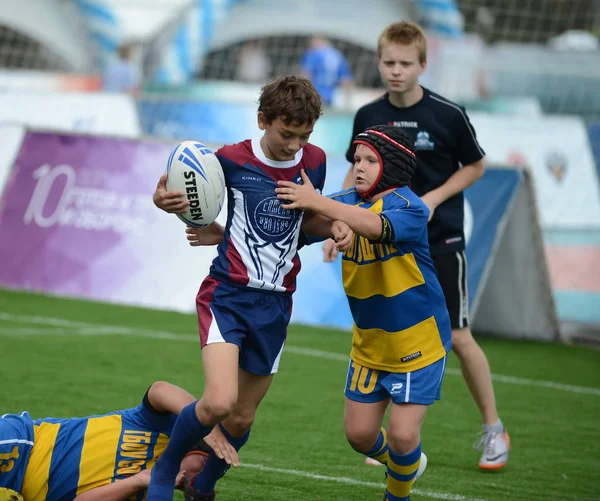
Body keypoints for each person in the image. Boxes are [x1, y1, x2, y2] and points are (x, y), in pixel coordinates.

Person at [148, 76, 352, 501]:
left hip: (276, 304)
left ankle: (203, 487)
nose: (295, 145)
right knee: (219, 402)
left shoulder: (313, 161)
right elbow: (186, 190)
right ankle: (163, 474)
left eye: (304, 135)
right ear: (262, 120)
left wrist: (333, 224)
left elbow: (298, 228)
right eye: (286, 134)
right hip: (228, 295)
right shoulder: (231, 159)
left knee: (240, 419)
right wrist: (163, 200)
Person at [334, 21, 509, 470]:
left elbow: (475, 166)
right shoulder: (369, 114)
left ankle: (493, 429)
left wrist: (431, 199)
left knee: (457, 334)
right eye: (388, 63)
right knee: (389, 326)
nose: (396, 71)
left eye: (405, 64)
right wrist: (340, 222)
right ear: (379, 62)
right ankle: (399, 439)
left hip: (439, 235)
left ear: (422, 65)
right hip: (380, 242)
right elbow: (356, 171)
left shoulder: (448, 114)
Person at [276, 125, 451, 501]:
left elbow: (375, 225)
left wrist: (326, 207)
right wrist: (332, 220)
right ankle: (407, 463)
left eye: (371, 160)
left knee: (403, 434)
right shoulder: (346, 201)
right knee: (359, 436)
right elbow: (301, 227)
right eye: (356, 159)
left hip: (417, 340)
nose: (360, 167)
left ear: (394, 165)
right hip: (370, 344)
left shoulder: (411, 207)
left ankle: (397, 494)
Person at [0, 382, 239, 501]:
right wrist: (204, 423)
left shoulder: (148, 491)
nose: (193, 479)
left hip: (19, 493)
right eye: (204, 468)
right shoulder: (162, 428)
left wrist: (138, 481)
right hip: (26, 444)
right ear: (197, 448)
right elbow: (159, 390)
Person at [300, 36, 353, 107]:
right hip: (329, 98)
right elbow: (346, 80)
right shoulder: (338, 56)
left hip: (313, 97)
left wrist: (303, 96)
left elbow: (305, 75)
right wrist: (348, 102)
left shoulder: (313, 54)